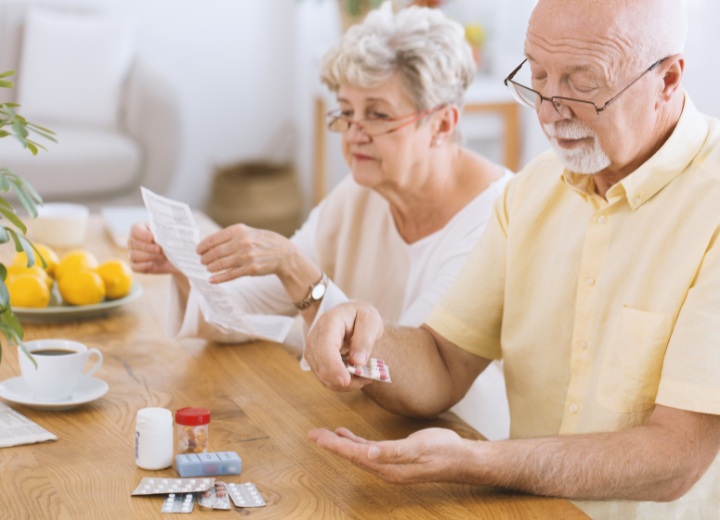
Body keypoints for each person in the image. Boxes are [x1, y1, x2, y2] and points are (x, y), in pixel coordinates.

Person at [303, 0, 720, 518]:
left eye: (583, 82)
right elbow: (442, 361)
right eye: (538, 75)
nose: (548, 109)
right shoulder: (530, 192)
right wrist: (365, 334)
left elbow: (677, 455)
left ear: (668, 79)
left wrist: (476, 460)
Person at [128, 3, 513, 439]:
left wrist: (297, 269)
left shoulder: (495, 215)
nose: (353, 133)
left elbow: (422, 384)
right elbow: (248, 312)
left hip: (457, 443)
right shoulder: (361, 191)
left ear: (442, 124)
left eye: (378, 113)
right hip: (364, 428)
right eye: (346, 111)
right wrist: (187, 265)